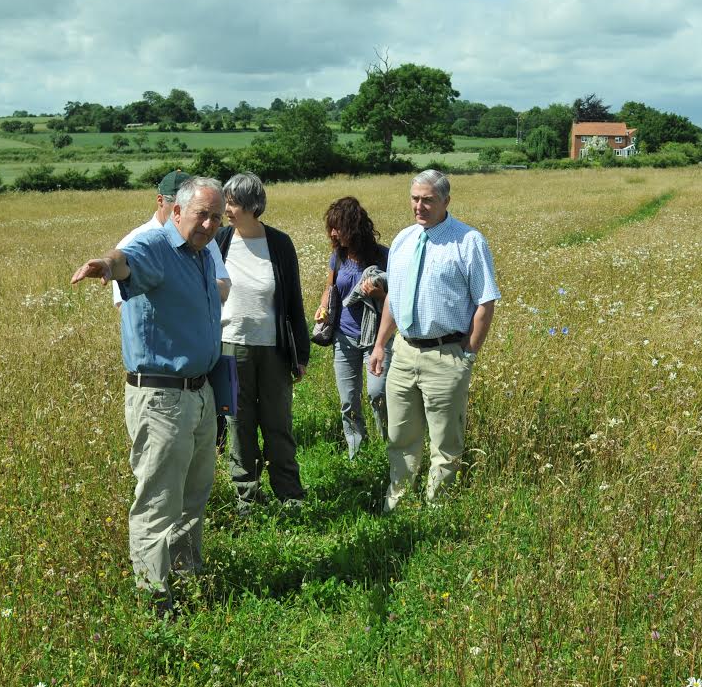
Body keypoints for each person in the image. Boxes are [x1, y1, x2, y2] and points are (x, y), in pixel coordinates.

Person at [70, 176, 225, 614]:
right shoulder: (156, 246)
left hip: (198, 393)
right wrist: (105, 263)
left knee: (194, 495)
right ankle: (155, 600)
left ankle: (187, 578)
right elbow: (125, 261)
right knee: (159, 501)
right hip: (162, 400)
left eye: (216, 216)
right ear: (176, 211)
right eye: (202, 215)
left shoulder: (200, 256)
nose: (210, 224)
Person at [369, 170, 499, 511]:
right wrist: (381, 344)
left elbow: (486, 302)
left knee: (445, 441)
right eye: (415, 198)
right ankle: (397, 504)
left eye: (428, 199)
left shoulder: (468, 241)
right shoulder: (403, 240)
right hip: (404, 352)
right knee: (400, 437)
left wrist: (468, 354)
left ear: (446, 201)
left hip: (447, 355)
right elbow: (394, 300)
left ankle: (437, 510)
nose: (419, 206)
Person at [213, 172, 309, 514]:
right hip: (229, 346)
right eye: (226, 201)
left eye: (233, 202)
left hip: (273, 349)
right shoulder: (219, 241)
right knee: (238, 424)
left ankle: (290, 495)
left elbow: (293, 302)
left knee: (277, 422)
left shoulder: (279, 244)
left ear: (254, 206)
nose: (226, 209)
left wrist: (301, 354)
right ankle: (247, 496)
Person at [315, 196, 390, 459]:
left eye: (338, 227)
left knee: (377, 394)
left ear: (353, 227)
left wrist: (378, 294)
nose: (333, 233)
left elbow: (395, 299)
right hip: (344, 337)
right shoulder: (338, 256)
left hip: (377, 338)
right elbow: (330, 288)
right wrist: (323, 308)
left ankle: (389, 449)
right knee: (349, 401)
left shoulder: (383, 255)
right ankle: (357, 453)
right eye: (331, 228)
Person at [113, 170, 230, 306]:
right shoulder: (133, 241)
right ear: (161, 201)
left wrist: (182, 285)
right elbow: (124, 306)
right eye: (177, 204)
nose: (180, 211)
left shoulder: (204, 237)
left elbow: (224, 288)